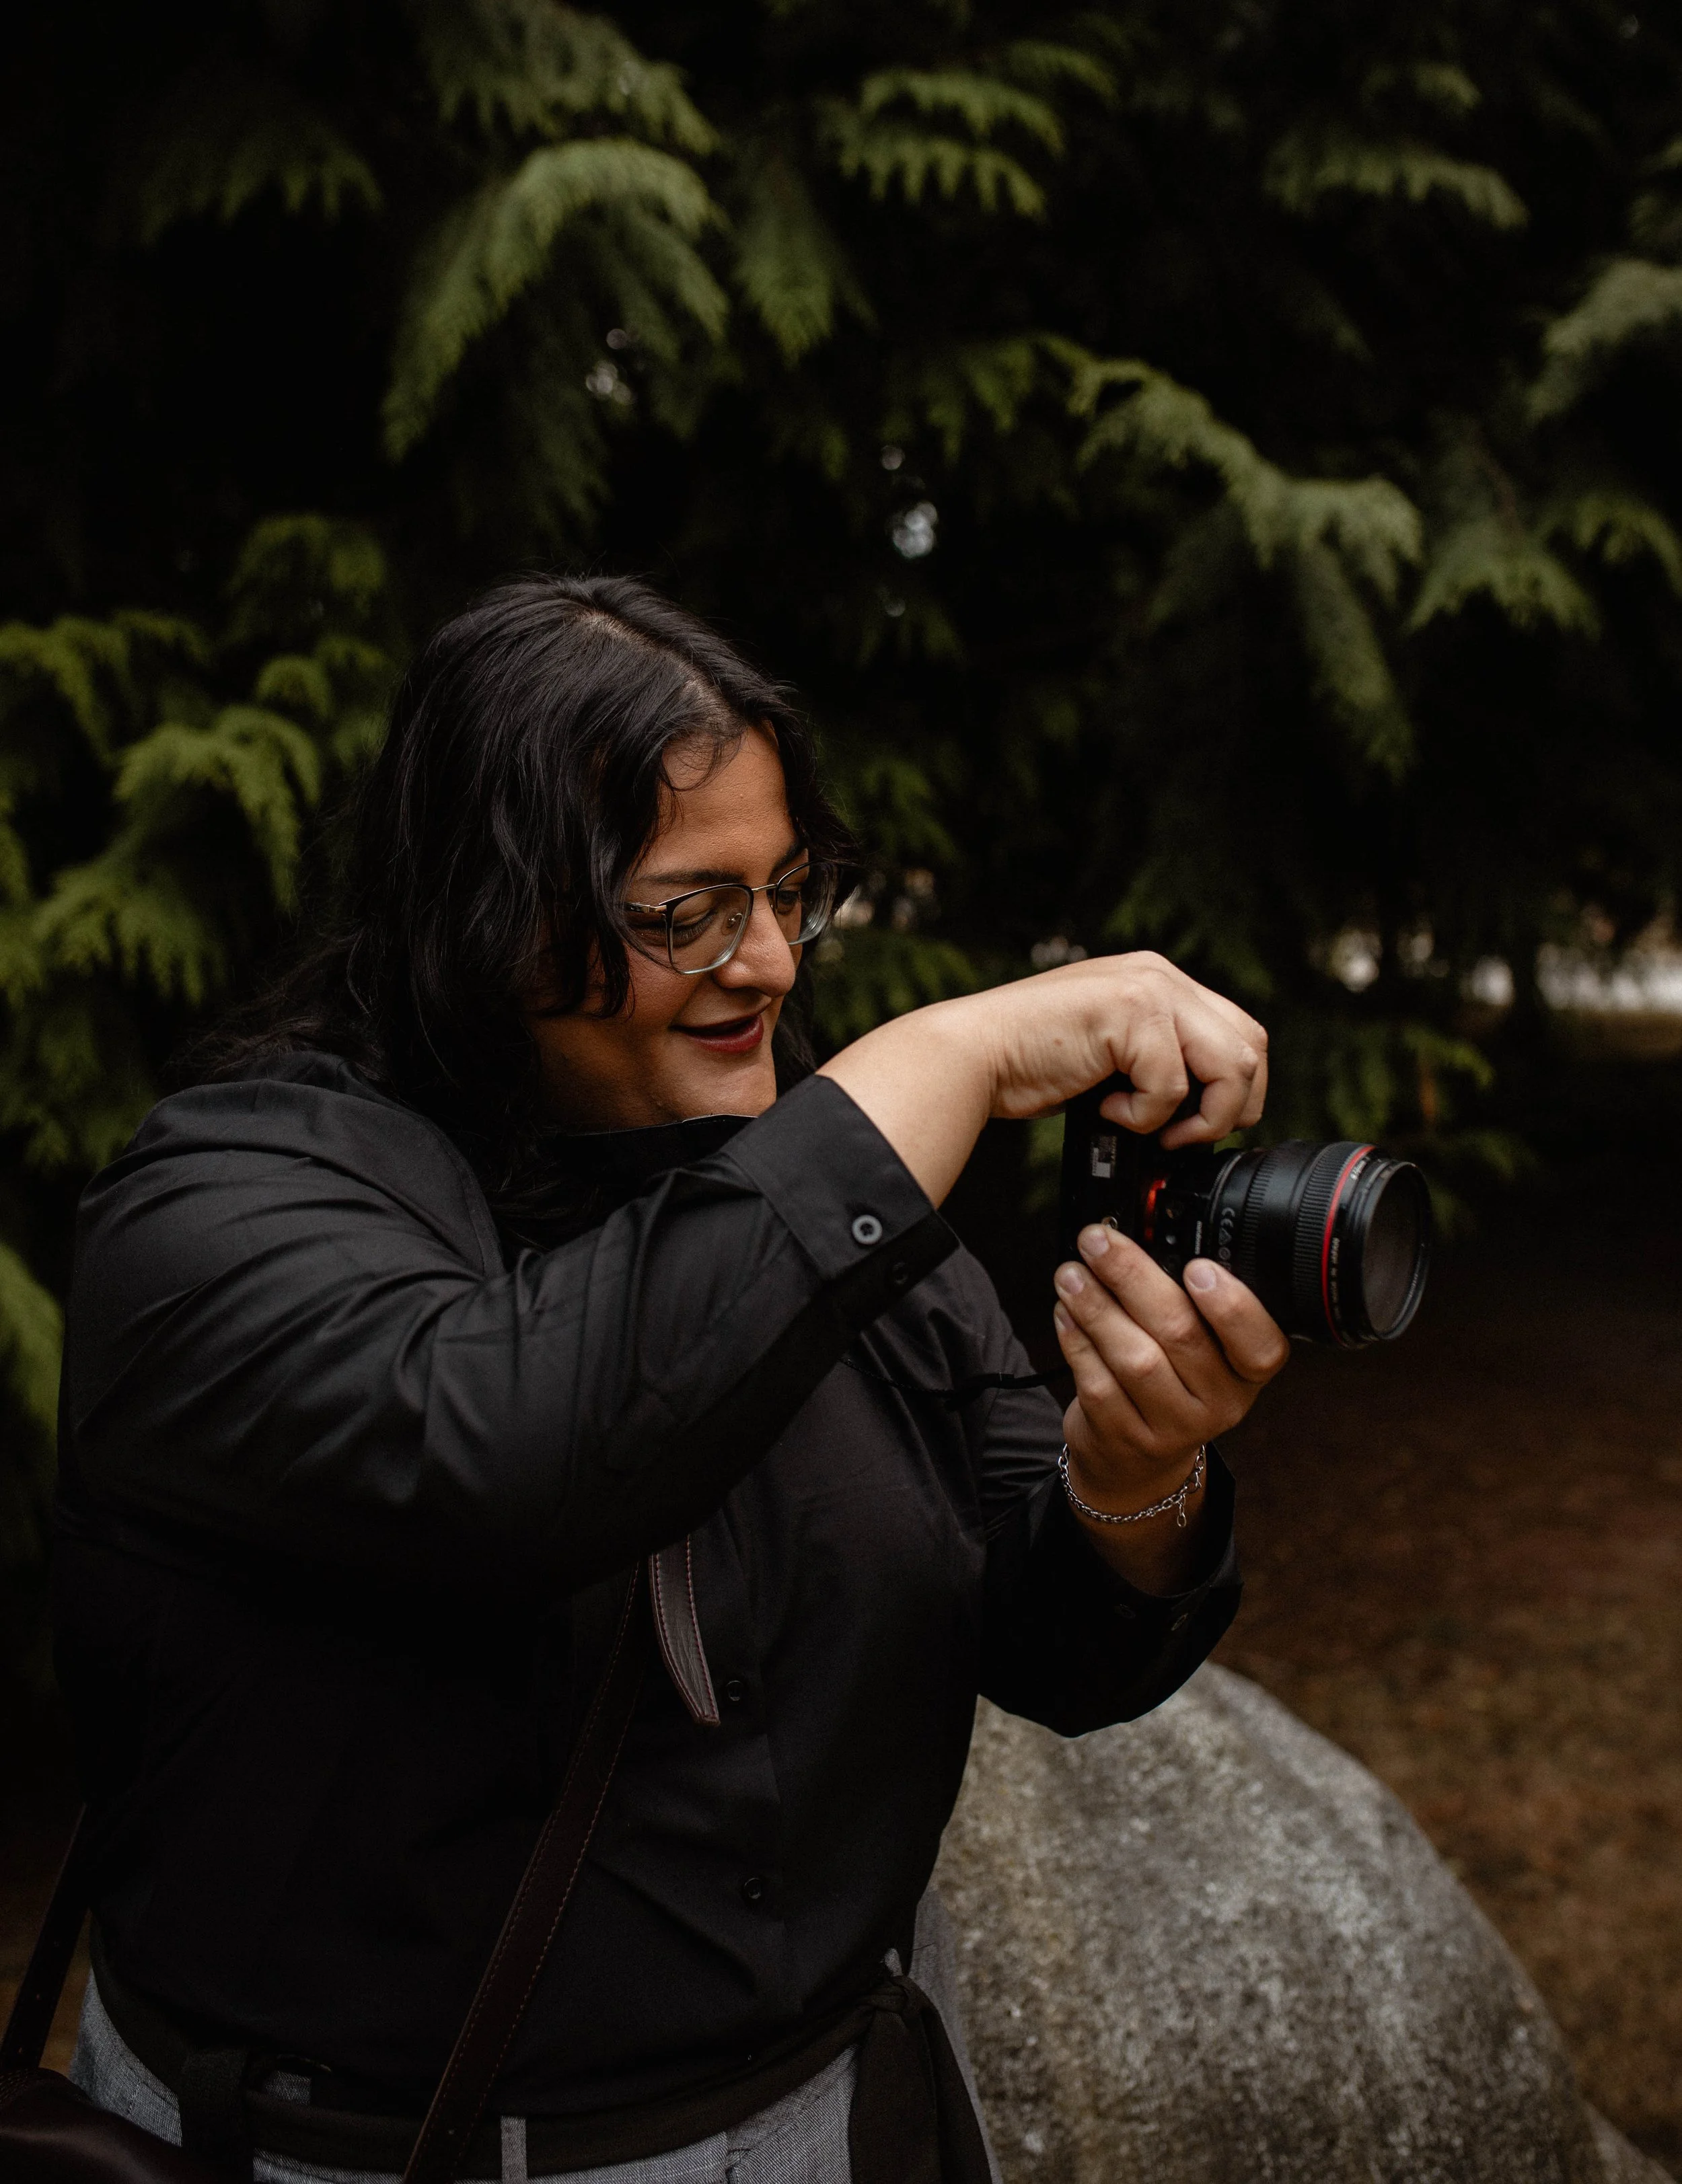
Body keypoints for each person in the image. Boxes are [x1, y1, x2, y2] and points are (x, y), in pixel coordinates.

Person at [52, 576, 1288, 2184]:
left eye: (787, 891)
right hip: (348, 2156)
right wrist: (946, 1057)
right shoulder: (219, 1206)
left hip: (829, 2120)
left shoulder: (832, 1219)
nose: (769, 963)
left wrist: (1140, 1477)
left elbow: (1051, 1640)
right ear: (479, 908)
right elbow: (519, 1447)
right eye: (683, 913)